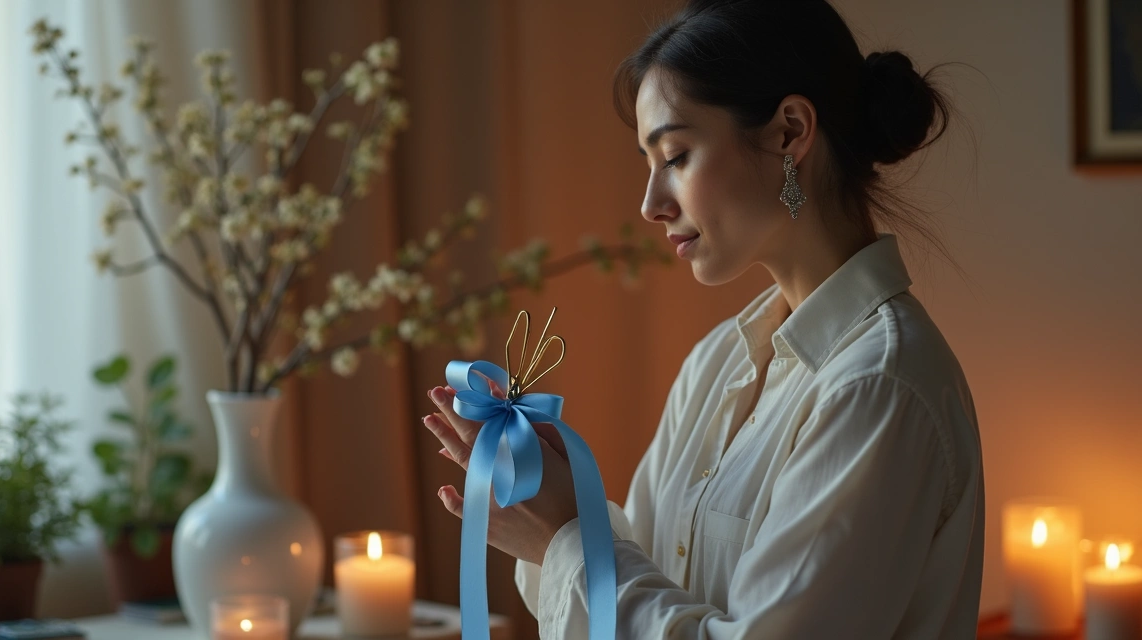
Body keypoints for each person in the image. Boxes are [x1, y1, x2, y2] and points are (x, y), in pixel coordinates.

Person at [420, 0, 984, 637]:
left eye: (676, 156)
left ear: (789, 132)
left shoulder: (879, 387)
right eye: (649, 161)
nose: (651, 205)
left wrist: (564, 539)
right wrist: (557, 501)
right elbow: (653, 574)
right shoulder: (718, 361)